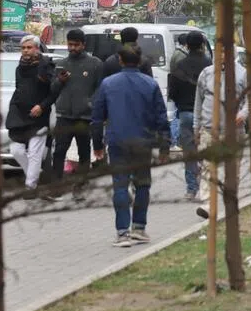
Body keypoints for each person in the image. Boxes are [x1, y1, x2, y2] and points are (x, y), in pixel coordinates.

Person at [90, 48, 170, 247]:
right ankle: (139, 228)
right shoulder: (150, 84)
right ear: (140, 60)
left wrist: (97, 144)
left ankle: (122, 232)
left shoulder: (108, 84)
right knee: (142, 184)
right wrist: (164, 146)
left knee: (120, 184)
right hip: (143, 141)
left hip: (117, 141)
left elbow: (97, 117)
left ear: (119, 60)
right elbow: (161, 116)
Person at [193, 53, 250, 219]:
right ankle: (208, 204)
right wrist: (196, 127)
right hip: (209, 129)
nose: (222, 54)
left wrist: (243, 113)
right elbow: (199, 100)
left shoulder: (243, 74)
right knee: (207, 167)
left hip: (233, 131)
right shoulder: (206, 73)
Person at [50, 28, 104, 200]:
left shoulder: (95, 64)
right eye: (70, 44)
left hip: (85, 117)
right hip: (64, 115)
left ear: (83, 45)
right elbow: (52, 89)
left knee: (84, 152)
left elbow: (100, 89)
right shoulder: (61, 64)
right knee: (59, 151)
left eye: (76, 45)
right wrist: (60, 81)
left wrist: (91, 103)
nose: (72, 48)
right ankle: (57, 187)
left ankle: (81, 186)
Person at [6, 35, 58, 198]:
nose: (26, 51)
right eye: (23, 48)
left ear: (37, 48)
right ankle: (36, 174)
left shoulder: (46, 66)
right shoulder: (20, 67)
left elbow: (53, 93)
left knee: (35, 152)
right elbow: (19, 89)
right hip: (20, 115)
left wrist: (41, 107)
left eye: (29, 47)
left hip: (39, 115)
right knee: (16, 150)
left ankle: (31, 187)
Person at [167, 33, 209, 201]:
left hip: (185, 113)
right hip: (206, 114)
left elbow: (173, 92)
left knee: (189, 152)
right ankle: (206, 187)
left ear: (186, 45)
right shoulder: (208, 65)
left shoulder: (180, 65)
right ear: (202, 45)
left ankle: (191, 189)